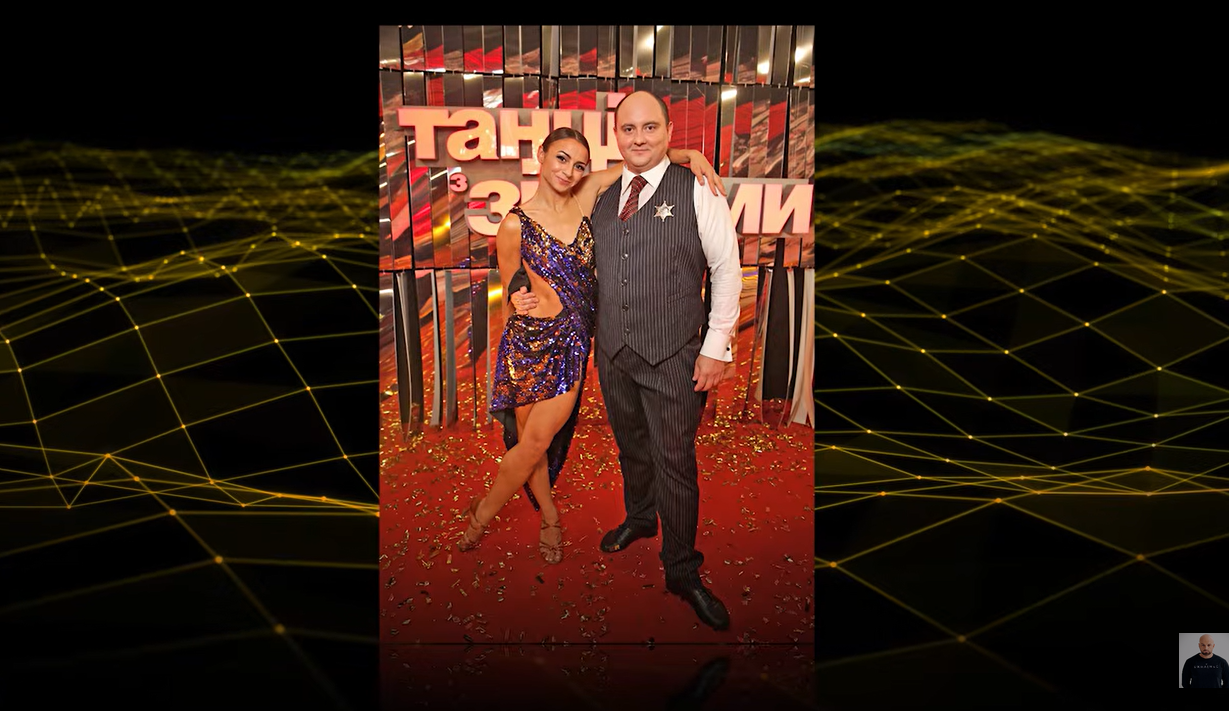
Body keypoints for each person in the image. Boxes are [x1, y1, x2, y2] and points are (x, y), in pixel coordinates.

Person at [515, 91, 742, 630]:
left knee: (674, 462)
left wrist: (716, 348)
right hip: (614, 353)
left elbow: (727, 270)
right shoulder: (600, 193)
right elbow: (551, 247)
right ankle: (641, 518)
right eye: (628, 129)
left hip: (674, 356)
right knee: (632, 448)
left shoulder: (698, 190)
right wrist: (524, 290)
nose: (639, 138)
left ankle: (682, 569)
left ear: (669, 131)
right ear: (616, 136)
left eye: (650, 128)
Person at [456, 125, 725, 567]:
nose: (569, 170)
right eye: (561, 158)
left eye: (579, 164)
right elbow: (509, 294)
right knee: (531, 444)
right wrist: (517, 300)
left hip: (570, 346)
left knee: (536, 441)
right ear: (542, 155)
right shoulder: (513, 224)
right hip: (526, 346)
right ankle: (550, 518)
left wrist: (687, 154)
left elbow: (639, 160)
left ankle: (481, 514)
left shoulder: (585, 198)